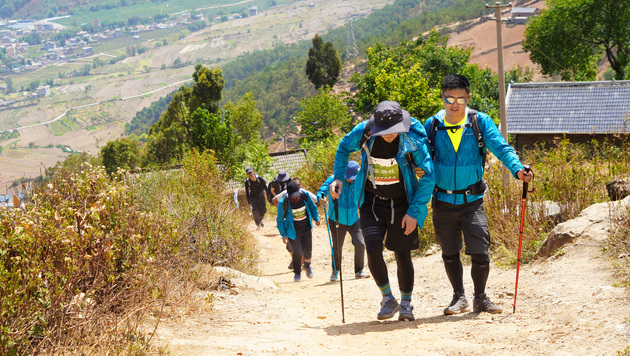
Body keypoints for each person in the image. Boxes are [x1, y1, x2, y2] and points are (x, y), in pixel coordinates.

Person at [424, 73, 534, 315]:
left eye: (460, 99)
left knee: (480, 251)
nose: (454, 104)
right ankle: (458, 297)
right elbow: (419, 159)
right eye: (449, 98)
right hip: (442, 200)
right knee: (449, 252)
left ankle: (480, 298)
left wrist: (518, 169)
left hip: (472, 201)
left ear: (468, 97)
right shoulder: (431, 125)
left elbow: (501, 148)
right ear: (442, 97)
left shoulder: (479, 122)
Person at [330, 100, 435, 321]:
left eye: (393, 130)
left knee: (402, 253)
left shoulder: (412, 136)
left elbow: (428, 176)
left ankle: (406, 303)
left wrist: (414, 212)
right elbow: (342, 148)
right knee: (372, 249)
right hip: (371, 202)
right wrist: (338, 177)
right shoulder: (365, 132)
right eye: (384, 131)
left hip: (402, 203)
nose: (389, 134)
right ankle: (388, 299)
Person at [317, 160, 369, 282]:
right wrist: (321, 198)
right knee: (337, 247)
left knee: (360, 243)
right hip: (336, 219)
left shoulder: (359, 181)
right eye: (348, 177)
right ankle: (335, 272)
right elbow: (321, 191)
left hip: (353, 218)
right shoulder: (334, 179)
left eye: (352, 177)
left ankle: (359, 270)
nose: (349, 180)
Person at [276, 181, 320, 282]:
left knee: (308, 250)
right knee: (297, 252)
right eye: (293, 197)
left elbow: (313, 207)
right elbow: (279, 220)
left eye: (296, 196)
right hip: (293, 231)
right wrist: (284, 234)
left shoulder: (304, 195)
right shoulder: (284, 202)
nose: (295, 199)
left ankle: (307, 266)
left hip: (306, 228)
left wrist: (316, 218)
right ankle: (297, 273)